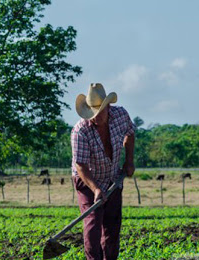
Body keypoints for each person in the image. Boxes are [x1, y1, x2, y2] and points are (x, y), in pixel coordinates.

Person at [71, 83, 136, 260]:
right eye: (91, 113)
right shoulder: (80, 131)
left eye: (99, 113)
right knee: (93, 225)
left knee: (112, 226)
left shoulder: (121, 115)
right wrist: (96, 189)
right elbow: (81, 166)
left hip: (113, 177)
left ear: (108, 106)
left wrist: (129, 161)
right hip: (87, 181)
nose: (94, 118)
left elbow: (130, 134)